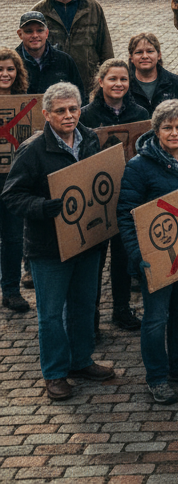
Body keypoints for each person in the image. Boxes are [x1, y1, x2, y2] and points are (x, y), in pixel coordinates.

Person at [1, 83, 115, 401]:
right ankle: (54, 373)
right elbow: (12, 196)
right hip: (48, 247)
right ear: (46, 113)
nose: (69, 115)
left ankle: (80, 361)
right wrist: (42, 207)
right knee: (50, 314)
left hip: (86, 241)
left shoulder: (90, 138)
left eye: (73, 109)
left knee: (82, 307)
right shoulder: (33, 149)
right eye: (61, 110)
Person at [116, 100, 178, 404]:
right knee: (156, 318)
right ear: (156, 130)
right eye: (168, 127)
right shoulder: (139, 166)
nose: (174, 132)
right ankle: (156, 377)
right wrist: (136, 255)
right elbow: (126, 214)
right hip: (155, 257)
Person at [79, 58, 150, 332]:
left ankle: (121, 308)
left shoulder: (140, 112)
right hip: (95, 198)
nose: (118, 84)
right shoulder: (86, 115)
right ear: (101, 82)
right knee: (94, 259)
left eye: (123, 79)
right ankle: (91, 315)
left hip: (128, 195)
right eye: (112, 79)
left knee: (123, 256)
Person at [34, 0, 114, 88]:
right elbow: (29, 51)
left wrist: (110, 78)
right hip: (53, 87)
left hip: (88, 86)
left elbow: (106, 49)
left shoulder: (93, 7)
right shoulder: (39, 12)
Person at [0, 47, 30, 313]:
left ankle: (10, 290)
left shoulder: (25, 103)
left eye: (10, 69)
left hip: (13, 179)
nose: (5, 74)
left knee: (12, 237)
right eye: (0, 70)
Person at [15, 10, 84, 96]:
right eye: (29, 31)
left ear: (47, 33)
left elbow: (80, 96)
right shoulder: (12, 63)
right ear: (20, 34)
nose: (35, 35)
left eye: (40, 30)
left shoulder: (64, 61)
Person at [127, 33, 178, 116]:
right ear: (131, 57)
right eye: (139, 52)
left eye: (150, 51)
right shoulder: (125, 85)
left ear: (159, 55)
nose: (145, 56)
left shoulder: (174, 82)